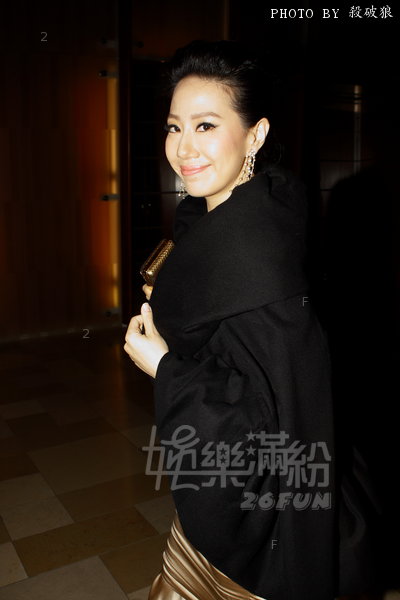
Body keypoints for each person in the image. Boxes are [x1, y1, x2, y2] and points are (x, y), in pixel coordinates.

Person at [124, 40, 382, 600]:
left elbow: (273, 422)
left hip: (261, 527)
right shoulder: (220, 219)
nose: (183, 148)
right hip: (213, 495)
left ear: (256, 135)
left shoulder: (254, 259)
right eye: (174, 127)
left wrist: (165, 367)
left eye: (206, 125)